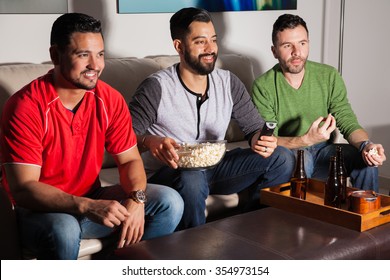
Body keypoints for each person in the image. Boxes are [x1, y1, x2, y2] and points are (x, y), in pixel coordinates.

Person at [0, 13, 184, 260]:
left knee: (169, 201)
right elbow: (23, 189)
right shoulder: (26, 106)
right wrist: (87, 206)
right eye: (83, 54)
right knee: (65, 227)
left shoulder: (109, 99)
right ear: (55, 55)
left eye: (100, 54)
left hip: (90, 199)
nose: (95, 65)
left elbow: (129, 160)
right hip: (36, 212)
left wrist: (137, 199)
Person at [128, 7, 293, 230]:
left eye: (213, 40)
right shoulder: (156, 87)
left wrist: (259, 139)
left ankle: (250, 230)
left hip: (215, 168)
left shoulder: (228, 82)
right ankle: (195, 249)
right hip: (171, 173)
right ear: (179, 46)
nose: (210, 49)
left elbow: (254, 127)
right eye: (200, 41)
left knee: (282, 157)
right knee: (192, 177)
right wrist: (150, 142)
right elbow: (123, 138)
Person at [252, 14, 386, 191]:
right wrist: (305, 140)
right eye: (287, 46)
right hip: (290, 153)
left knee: (365, 159)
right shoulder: (263, 86)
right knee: (303, 159)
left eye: (302, 43)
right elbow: (270, 142)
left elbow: (346, 120)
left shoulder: (329, 75)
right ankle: (300, 217)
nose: (296, 52)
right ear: (274, 51)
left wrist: (366, 145)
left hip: (325, 152)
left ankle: (366, 214)